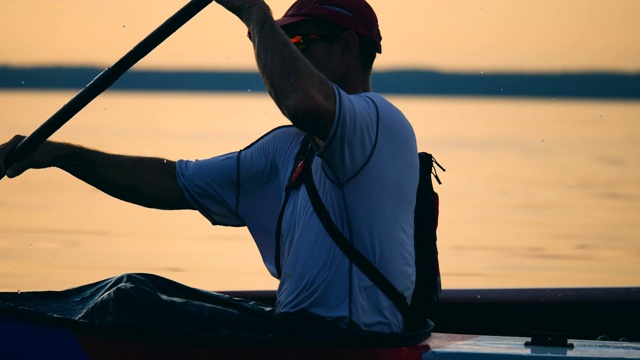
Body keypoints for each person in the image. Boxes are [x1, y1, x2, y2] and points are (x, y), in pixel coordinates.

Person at [0, 0, 420, 336]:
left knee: (127, 303)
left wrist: (256, 15)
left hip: (349, 344)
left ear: (346, 50)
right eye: (282, 40)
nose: (281, 51)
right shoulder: (286, 152)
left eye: (297, 42)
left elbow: (299, 99)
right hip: (295, 333)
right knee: (131, 289)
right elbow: (170, 182)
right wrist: (58, 155)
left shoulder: (379, 123)